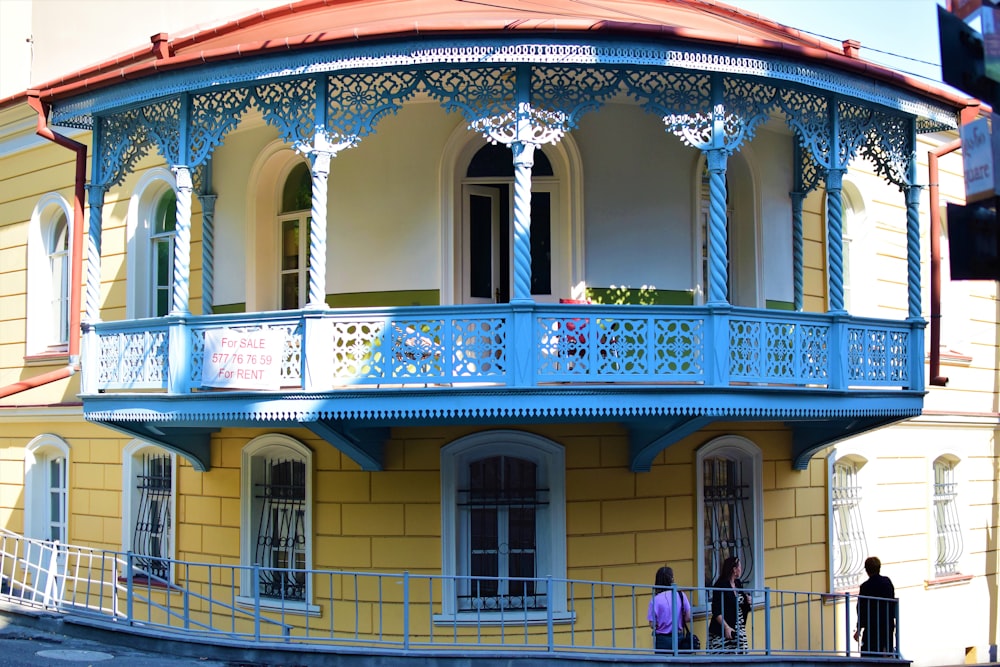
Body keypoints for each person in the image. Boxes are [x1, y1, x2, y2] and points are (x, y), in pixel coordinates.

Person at [707, 556, 752, 653]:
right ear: (734, 569)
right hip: (723, 630)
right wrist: (726, 627)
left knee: (740, 656)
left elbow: (740, 604)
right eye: (739, 567)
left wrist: (747, 600)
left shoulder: (738, 583)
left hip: (738, 628)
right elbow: (716, 610)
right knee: (723, 657)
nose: (741, 569)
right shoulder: (721, 585)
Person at [853, 556, 896, 657]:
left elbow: (861, 609)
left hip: (872, 626)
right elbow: (892, 602)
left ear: (867, 570)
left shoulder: (865, 587)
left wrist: (858, 628)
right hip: (886, 624)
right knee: (886, 653)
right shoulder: (887, 582)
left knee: (869, 654)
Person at [647, 566, 692, 653]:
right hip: (679, 637)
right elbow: (688, 617)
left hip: (662, 639)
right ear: (672, 579)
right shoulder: (680, 595)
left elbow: (652, 624)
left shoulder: (655, 600)